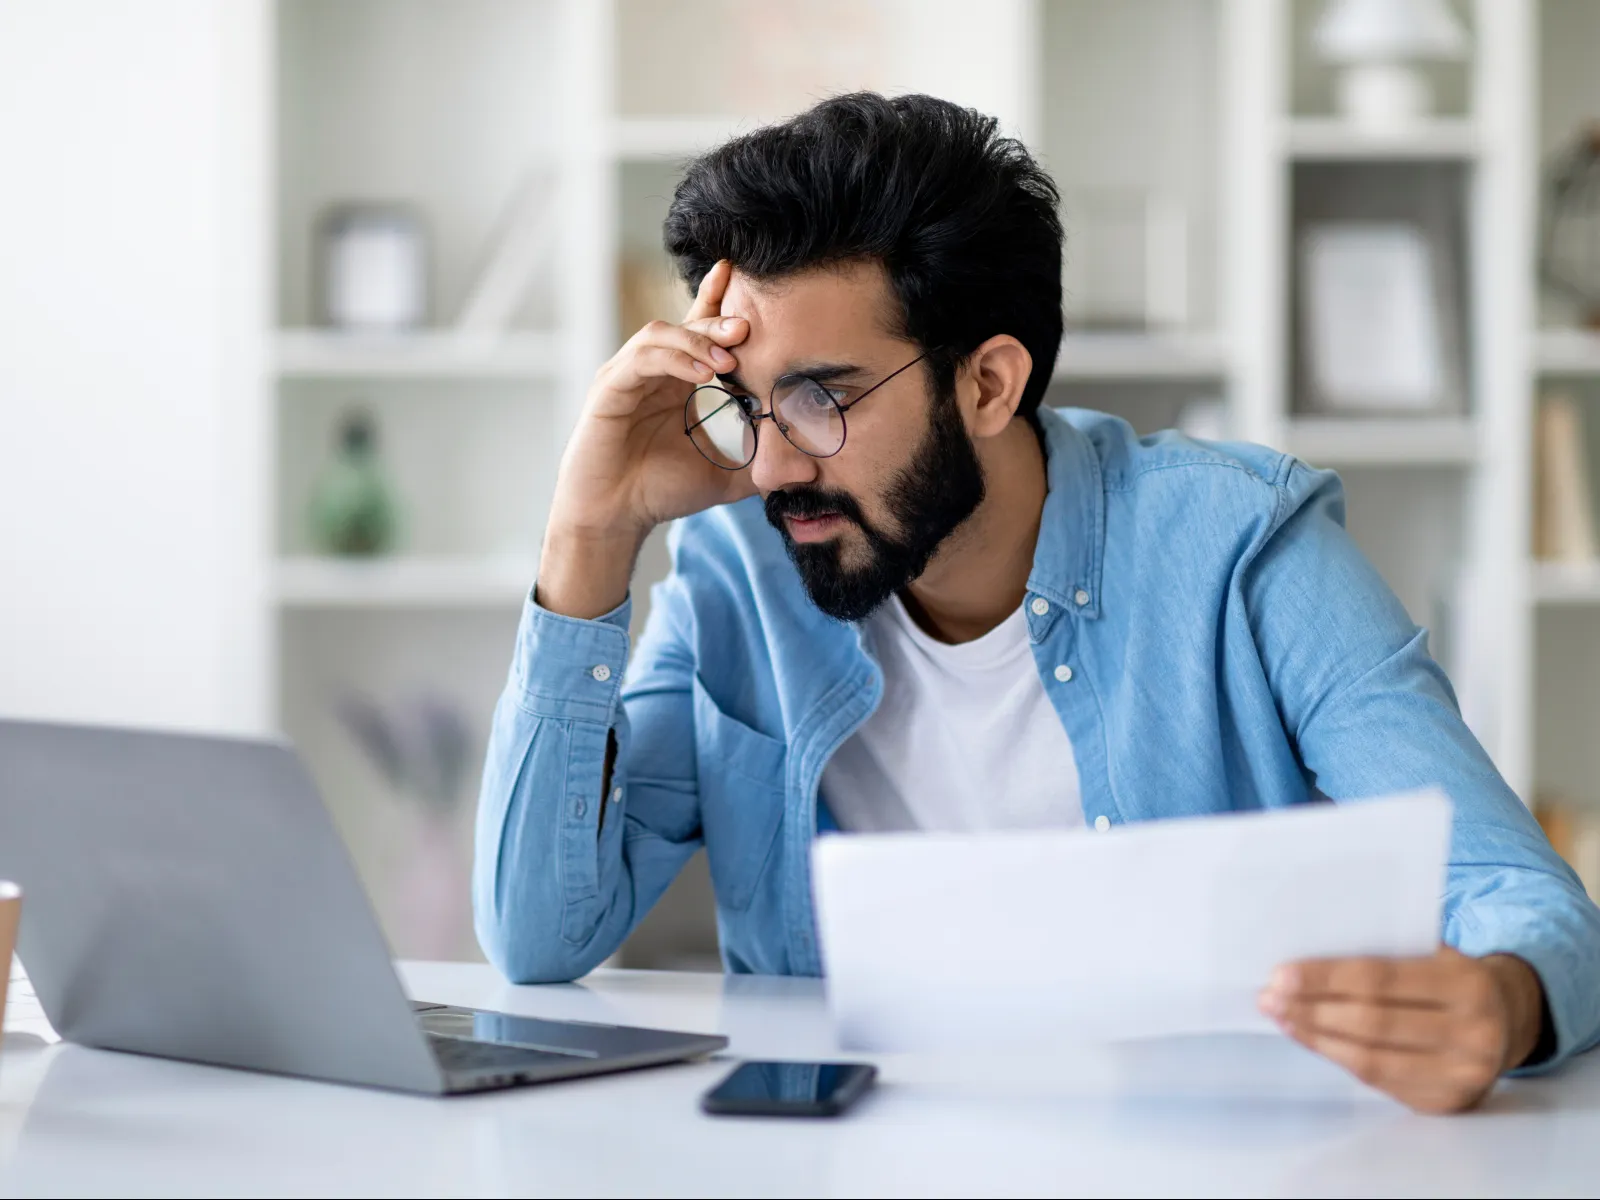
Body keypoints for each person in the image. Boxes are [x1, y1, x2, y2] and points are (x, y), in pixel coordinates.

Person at [473, 92, 1600, 1113]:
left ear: (988, 382)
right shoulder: (735, 573)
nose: (770, 470)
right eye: (748, 404)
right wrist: (590, 532)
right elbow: (536, 938)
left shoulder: (1240, 546)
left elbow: (1517, 896)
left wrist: (1500, 1004)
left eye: (821, 400)